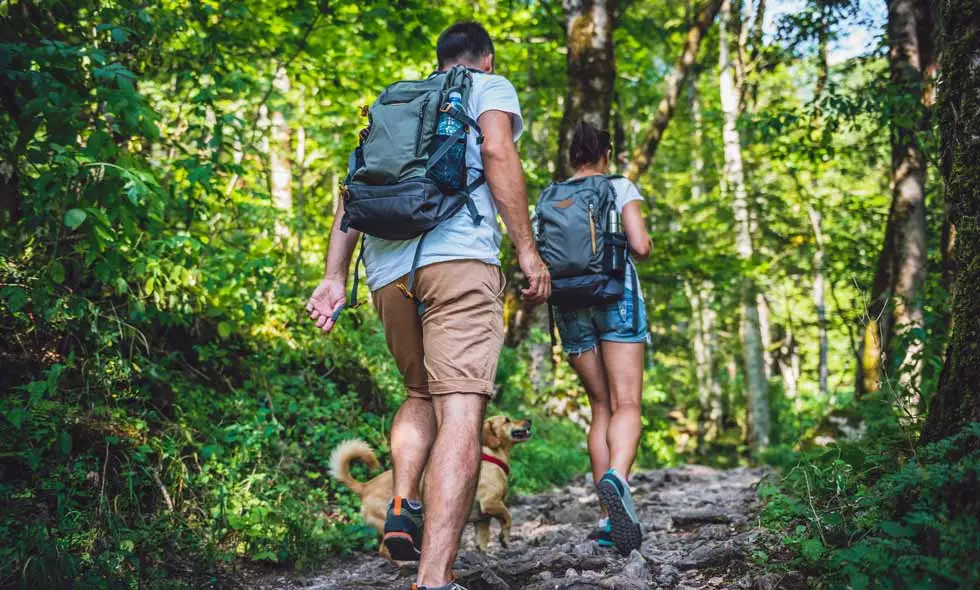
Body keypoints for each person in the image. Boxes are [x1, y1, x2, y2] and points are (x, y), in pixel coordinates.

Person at [306, 22, 550, 590]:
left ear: (436, 60)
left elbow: (353, 193)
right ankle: (434, 578)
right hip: (458, 261)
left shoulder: (397, 102)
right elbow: (496, 149)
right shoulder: (487, 86)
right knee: (462, 409)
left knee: (420, 394)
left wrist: (334, 276)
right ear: (485, 59)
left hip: (388, 271)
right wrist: (527, 251)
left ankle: (402, 501)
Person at [555, 121, 651, 554]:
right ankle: (618, 478)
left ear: (570, 156)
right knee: (627, 403)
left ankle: (609, 517)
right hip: (616, 295)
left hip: (570, 303)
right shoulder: (619, 186)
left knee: (600, 407)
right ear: (606, 154)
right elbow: (641, 245)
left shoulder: (553, 194)